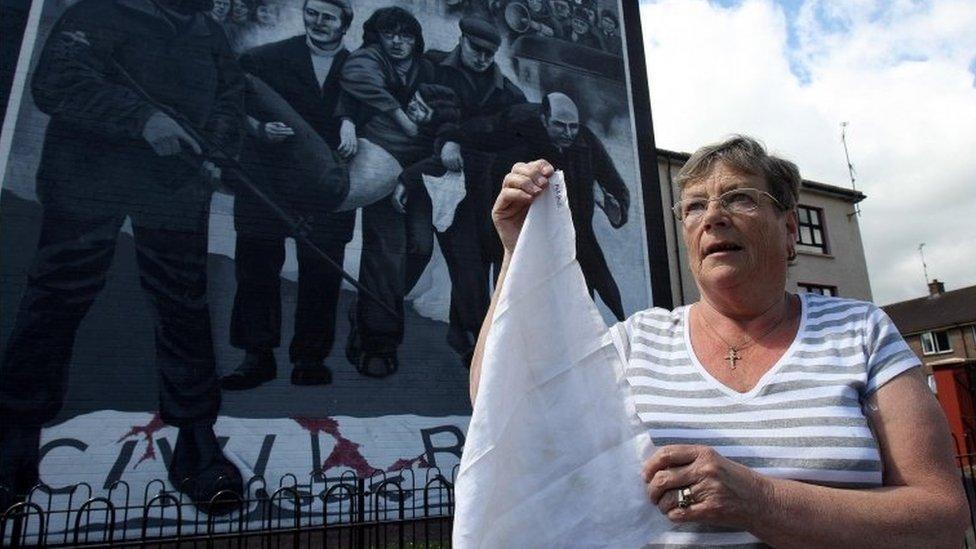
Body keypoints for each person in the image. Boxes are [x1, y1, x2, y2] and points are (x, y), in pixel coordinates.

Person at [470, 136, 969, 546]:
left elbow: (942, 518)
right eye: (694, 207)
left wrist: (759, 501)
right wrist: (517, 251)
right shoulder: (635, 342)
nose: (713, 216)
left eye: (739, 198)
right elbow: (501, 402)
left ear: (790, 227)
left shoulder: (862, 331)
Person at [0, 0, 245, 514]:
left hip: (173, 189)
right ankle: (14, 435)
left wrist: (218, 150)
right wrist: (142, 118)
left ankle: (197, 445)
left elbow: (230, 98)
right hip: (88, 179)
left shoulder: (207, 32)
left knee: (184, 309)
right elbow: (56, 82)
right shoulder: (99, 11)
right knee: (55, 299)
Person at [222, 0, 357, 390]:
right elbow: (230, 104)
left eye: (328, 16)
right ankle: (256, 357)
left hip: (326, 187)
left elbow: (375, 114)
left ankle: (310, 358)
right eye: (311, 12)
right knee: (257, 267)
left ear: (344, 24)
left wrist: (351, 122)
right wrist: (258, 129)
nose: (317, 22)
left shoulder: (360, 70)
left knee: (322, 272)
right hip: (267, 178)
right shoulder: (263, 58)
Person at [396, 16, 526, 367]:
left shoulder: (506, 92)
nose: (483, 58)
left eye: (489, 53)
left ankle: (468, 340)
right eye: (476, 49)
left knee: (468, 265)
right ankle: (381, 309)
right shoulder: (430, 67)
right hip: (419, 175)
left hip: (467, 188)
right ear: (462, 40)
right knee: (416, 249)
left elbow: (516, 137)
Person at [439, 92, 629, 320]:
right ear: (543, 119)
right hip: (523, 237)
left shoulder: (584, 141)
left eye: (573, 127)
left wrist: (616, 208)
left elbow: (614, 182)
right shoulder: (518, 128)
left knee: (585, 297)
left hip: (575, 235)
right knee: (517, 305)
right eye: (559, 126)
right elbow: (479, 130)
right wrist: (451, 141)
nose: (568, 133)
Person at [337, 6, 435, 377]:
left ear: (416, 40)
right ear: (377, 36)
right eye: (389, 34)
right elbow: (350, 93)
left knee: (420, 250)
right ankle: (377, 345)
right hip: (380, 165)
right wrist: (346, 121)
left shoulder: (429, 70)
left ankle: (370, 304)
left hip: (419, 174)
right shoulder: (368, 62)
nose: (397, 42)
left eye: (405, 35)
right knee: (385, 254)